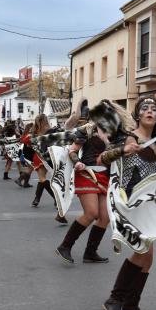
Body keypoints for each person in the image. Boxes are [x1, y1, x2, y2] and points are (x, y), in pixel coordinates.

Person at [99, 96, 156, 310]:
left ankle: (130, 306)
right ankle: (115, 299)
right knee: (143, 252)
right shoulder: (129, 138)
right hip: (130, 201)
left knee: (147, 258)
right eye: (145, 108)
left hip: (150, 204)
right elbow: (103, 158)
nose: (150, 111)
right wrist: (124, 150)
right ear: (138, 115)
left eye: (154, 109)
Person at [54, 107, 112, 264]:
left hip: (105, 176)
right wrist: (77, 162)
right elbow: (72, 150)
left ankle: (90, 252)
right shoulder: (86, 130)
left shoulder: (114, 132)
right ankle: (65, 246)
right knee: (92, 213)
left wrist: (106, 140)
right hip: (87, 173)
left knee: (105, 217)